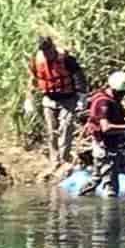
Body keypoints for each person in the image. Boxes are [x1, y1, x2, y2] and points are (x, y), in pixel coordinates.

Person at [27, 36, 87, 168]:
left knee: (66, 128)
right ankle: (54, 160)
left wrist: (82, 96)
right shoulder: (36, 60)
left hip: (68, 99)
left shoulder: (66, 59)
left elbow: (79, 77)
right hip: (49, 99)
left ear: (53, 47)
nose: (47, 53)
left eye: (48, 49)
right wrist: (29, 99)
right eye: (44, 51)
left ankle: (64, 159)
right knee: (51, 131)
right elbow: (32, 79)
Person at [80, 71, 125, 197]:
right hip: (104, 147)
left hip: (103, 146)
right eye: (122, 93)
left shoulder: (109, 99)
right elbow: (106, 128)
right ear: (115, 90)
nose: (123, 96)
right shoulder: (103, 102)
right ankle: (110, 209)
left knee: (96, 179)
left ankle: (81, 196)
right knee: (111, 187)